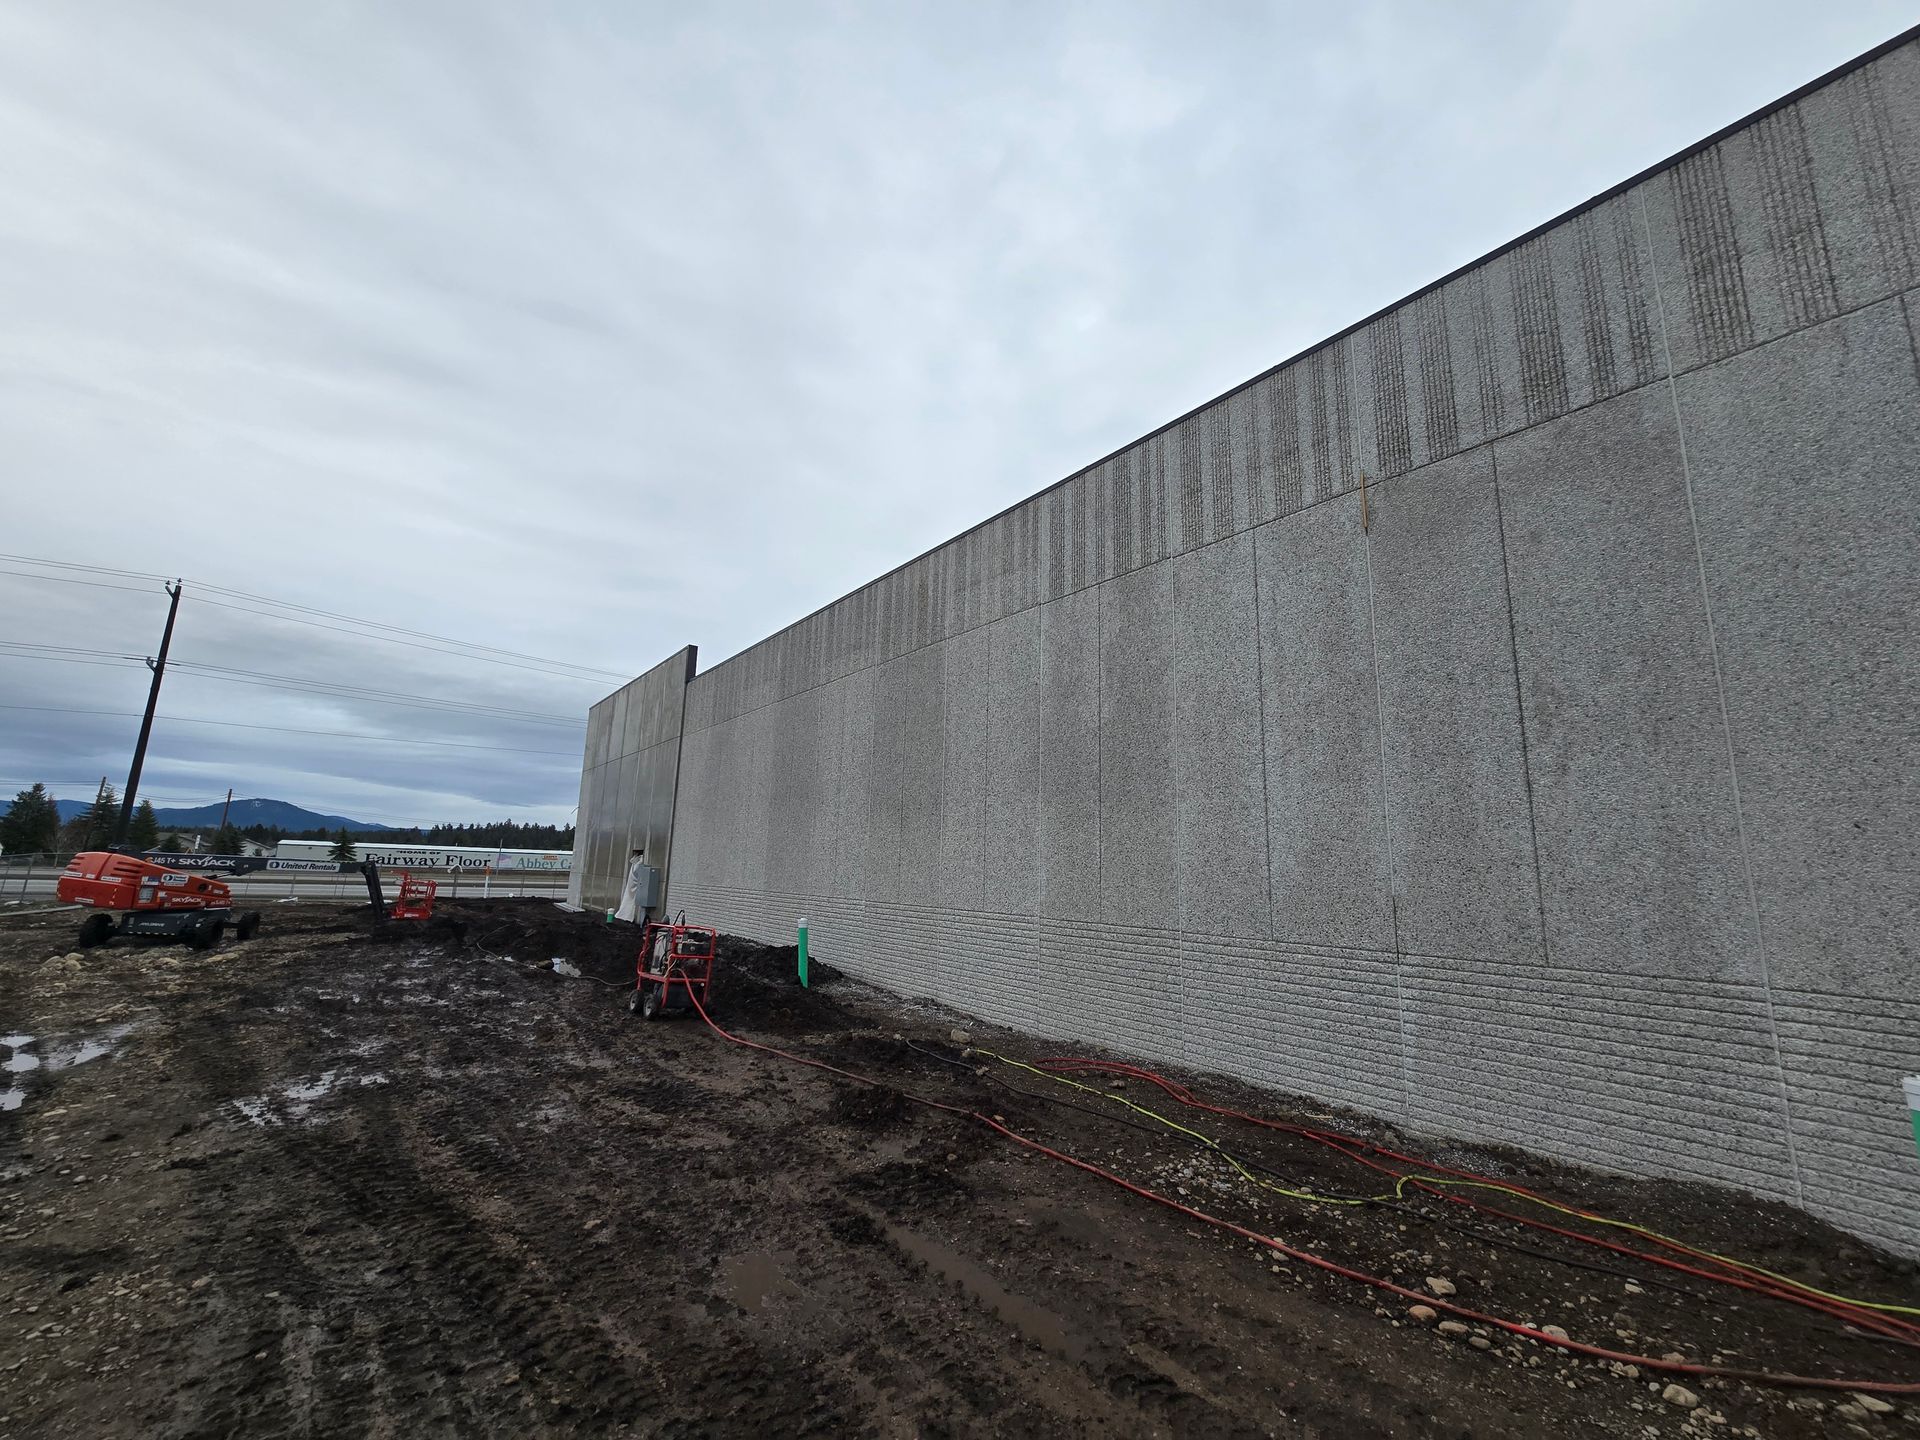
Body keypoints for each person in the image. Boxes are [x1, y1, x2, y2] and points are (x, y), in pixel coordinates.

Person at [614, 846, 651, 924]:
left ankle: (627, 915)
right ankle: (627, 915)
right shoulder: (638, 863)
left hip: (634, 885)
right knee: (630, 900)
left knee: (629, 900)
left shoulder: (636, 863)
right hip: (635, 885)